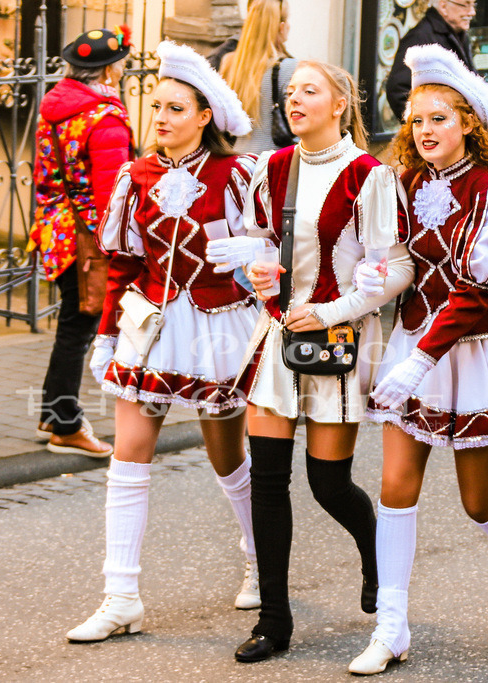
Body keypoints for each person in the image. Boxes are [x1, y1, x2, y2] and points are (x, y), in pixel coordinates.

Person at [348, 45, 488, 676]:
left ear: (469, 123)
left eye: (439, 118)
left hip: (475, 352)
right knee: (395, 490)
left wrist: (418, 361)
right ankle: (391, 628)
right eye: (416, 121)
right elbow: (393, 264)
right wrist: (371, 278)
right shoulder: (402, 184)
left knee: (477, 500)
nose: (425, 131)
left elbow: (479, 288)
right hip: (415, 345)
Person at [206, 60, 415, 663]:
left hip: (339, 344)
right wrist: (258, 270)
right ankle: (274, 622)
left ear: (340, 103)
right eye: (290, 93)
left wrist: (332, 312)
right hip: (277, 337)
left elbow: (396, 267)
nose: (295, 101)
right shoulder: (272, 166)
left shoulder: (368, 176)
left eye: (310, 92)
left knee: (328, 484)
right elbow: (258, 246)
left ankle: (376, 559)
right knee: (268, 483)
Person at [66, 41, 261, 642]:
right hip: (151, 331)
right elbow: (121, 263)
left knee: (227, 456)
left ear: (205, 118)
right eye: (157, 105)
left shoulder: (236, 174)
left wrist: (251, 252)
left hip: (217, 328)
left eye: (176, 108)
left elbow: (270, 249)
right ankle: (120, 595)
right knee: (128, 459)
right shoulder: (136, 174)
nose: (160, 117)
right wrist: (104, 338)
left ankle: (258, 560)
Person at [30, 27, 133, 457]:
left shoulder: (57, 106)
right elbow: (114, 193)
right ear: (109, 69)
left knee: (71, 323)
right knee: (80, 326)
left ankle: (52, 412)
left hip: (55, 229)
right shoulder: (104, 118)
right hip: (87, 240)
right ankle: (66, 425)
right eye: (121, 63)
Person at [219, 0, 295, 154]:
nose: (289, 26)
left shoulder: (230, 63)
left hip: (237, 159)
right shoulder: (289, 67)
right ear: (281, 27)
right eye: (287, 20)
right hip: (274, 161)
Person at [385, 0, 477, 121]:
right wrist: (424, 125)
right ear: (443, 6)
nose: (472, 12)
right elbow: (398, 90)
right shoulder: (420, 37)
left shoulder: (459, 35)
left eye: (473, 5)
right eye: (465, 5)